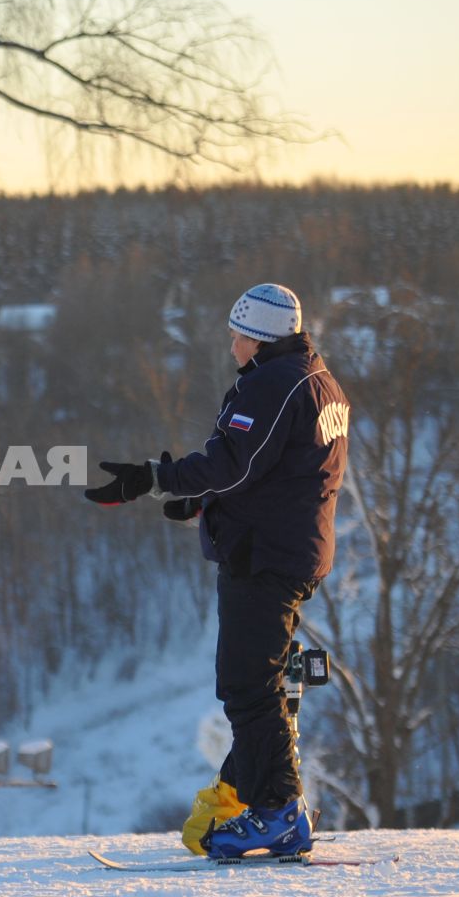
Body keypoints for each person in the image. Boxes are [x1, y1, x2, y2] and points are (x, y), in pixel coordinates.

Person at [84, 284, 351, 860]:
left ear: (259, 337)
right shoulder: (316, 378)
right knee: (248, 683)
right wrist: (203, 502)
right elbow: (278, 474)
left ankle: (281, 813)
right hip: (283, 546)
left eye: (238, 334)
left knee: (248, 686)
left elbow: (235, 463)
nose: (232, 345)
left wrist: (153, 478)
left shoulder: (276, 382)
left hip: (266, 557)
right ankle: (257, 806)